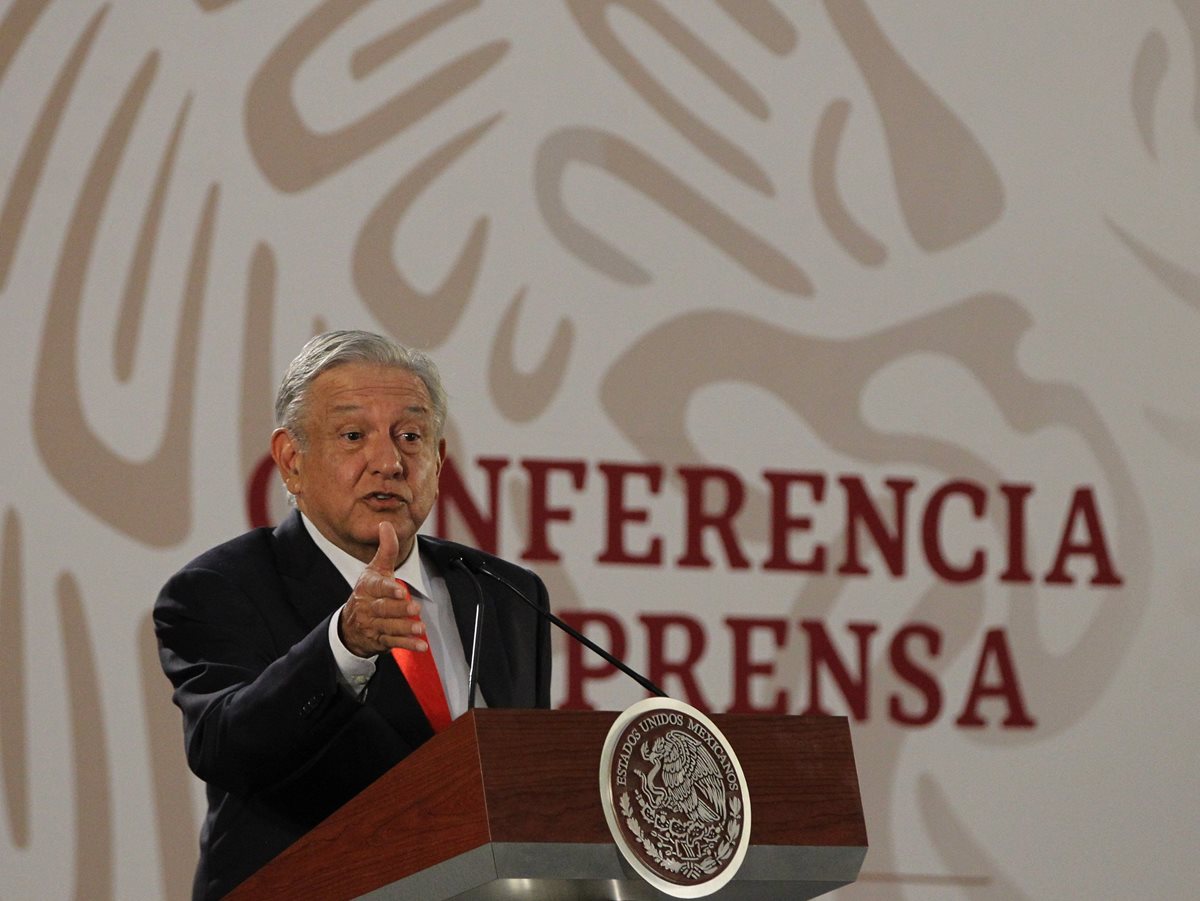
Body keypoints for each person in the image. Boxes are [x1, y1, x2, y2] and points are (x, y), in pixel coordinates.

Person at [154, 330, 551, 900]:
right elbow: (227, 747)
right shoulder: (219, 589)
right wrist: (343, 646)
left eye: (410, 436)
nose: (388, 461)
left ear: (437, 462)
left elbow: (523, 789)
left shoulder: (506, 592)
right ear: (292, 460)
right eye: (353, 435)